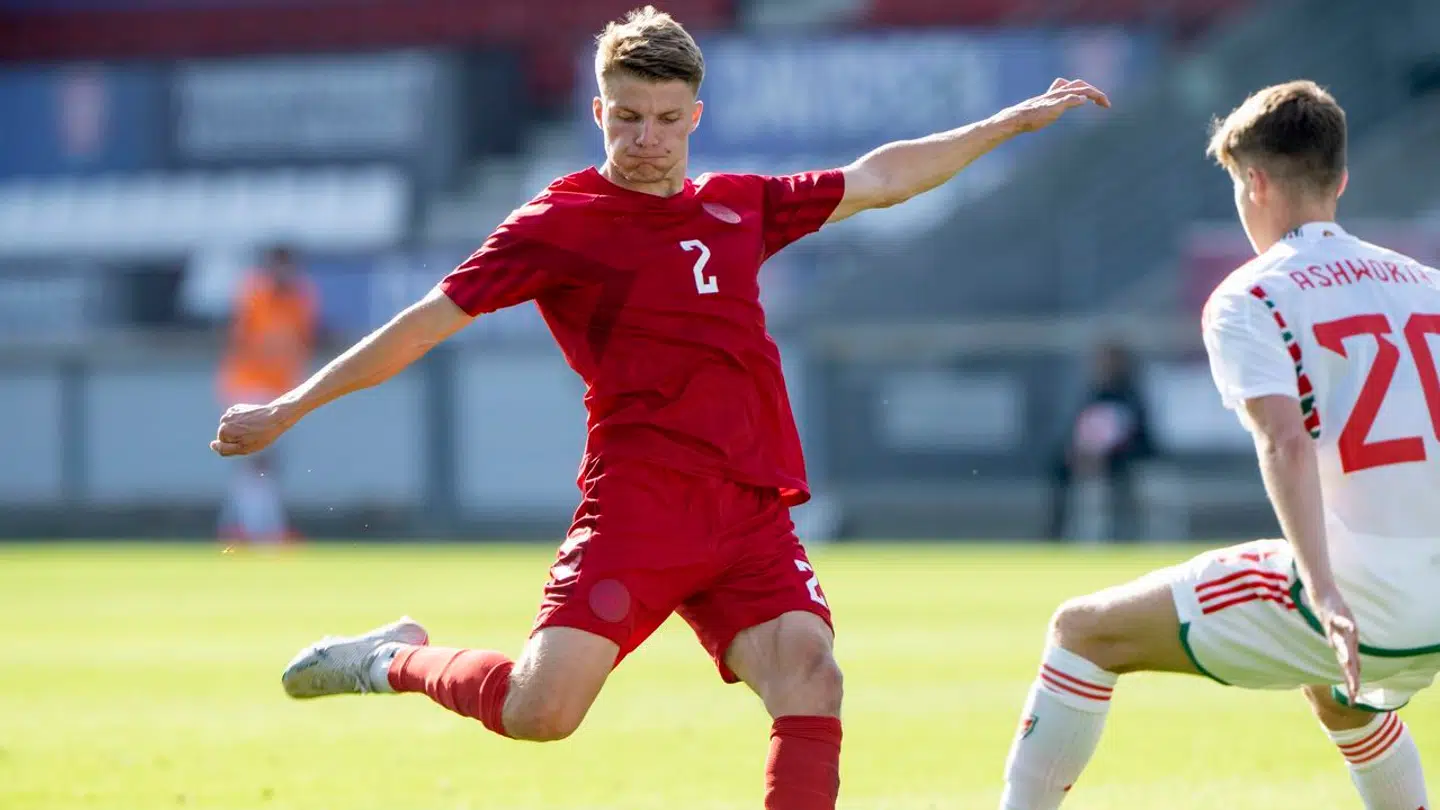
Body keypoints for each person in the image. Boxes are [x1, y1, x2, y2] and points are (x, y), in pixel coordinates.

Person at [210, 7, 1108, 809]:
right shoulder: (557, 224)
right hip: (639, 503)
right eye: (629, 118)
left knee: (811, 675)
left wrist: (1009, 122)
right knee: (541, 712)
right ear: (599, 112)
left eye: (668, 120)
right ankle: (388, 660)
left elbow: (880, 178)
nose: (648, 139)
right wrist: (293, 404)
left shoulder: (736, 207)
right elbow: (420, 326)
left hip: (749, 509)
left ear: (695, 118)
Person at [996, 80, 1435, 810]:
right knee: (1339, 696)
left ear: (1254, 182)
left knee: (1081, 633)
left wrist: (1323, 589)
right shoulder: (1428, 285)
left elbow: (1284, 443)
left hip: (1360, 599)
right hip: (1432, 599)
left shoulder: (1251, 295)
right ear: (1342, 179)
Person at [215, 244, 317, 544]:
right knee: (259, 461)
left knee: (260, 465)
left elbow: (303, 341)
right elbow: (244, 340)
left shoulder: (302, 298)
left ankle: (236, 530)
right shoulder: (254, 294)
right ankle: (266, 533)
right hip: (250, 385)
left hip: (282, 390)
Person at [1046, 340, 1155, 541]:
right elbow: (1080, 431)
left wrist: (1104, 452)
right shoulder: (1093, 395)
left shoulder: (1130, 397)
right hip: (1093, 461)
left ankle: (1118, 538)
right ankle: (1058, 535)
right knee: (1061, 470)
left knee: (1107, 488)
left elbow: (1138, 437)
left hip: (1124, 460)